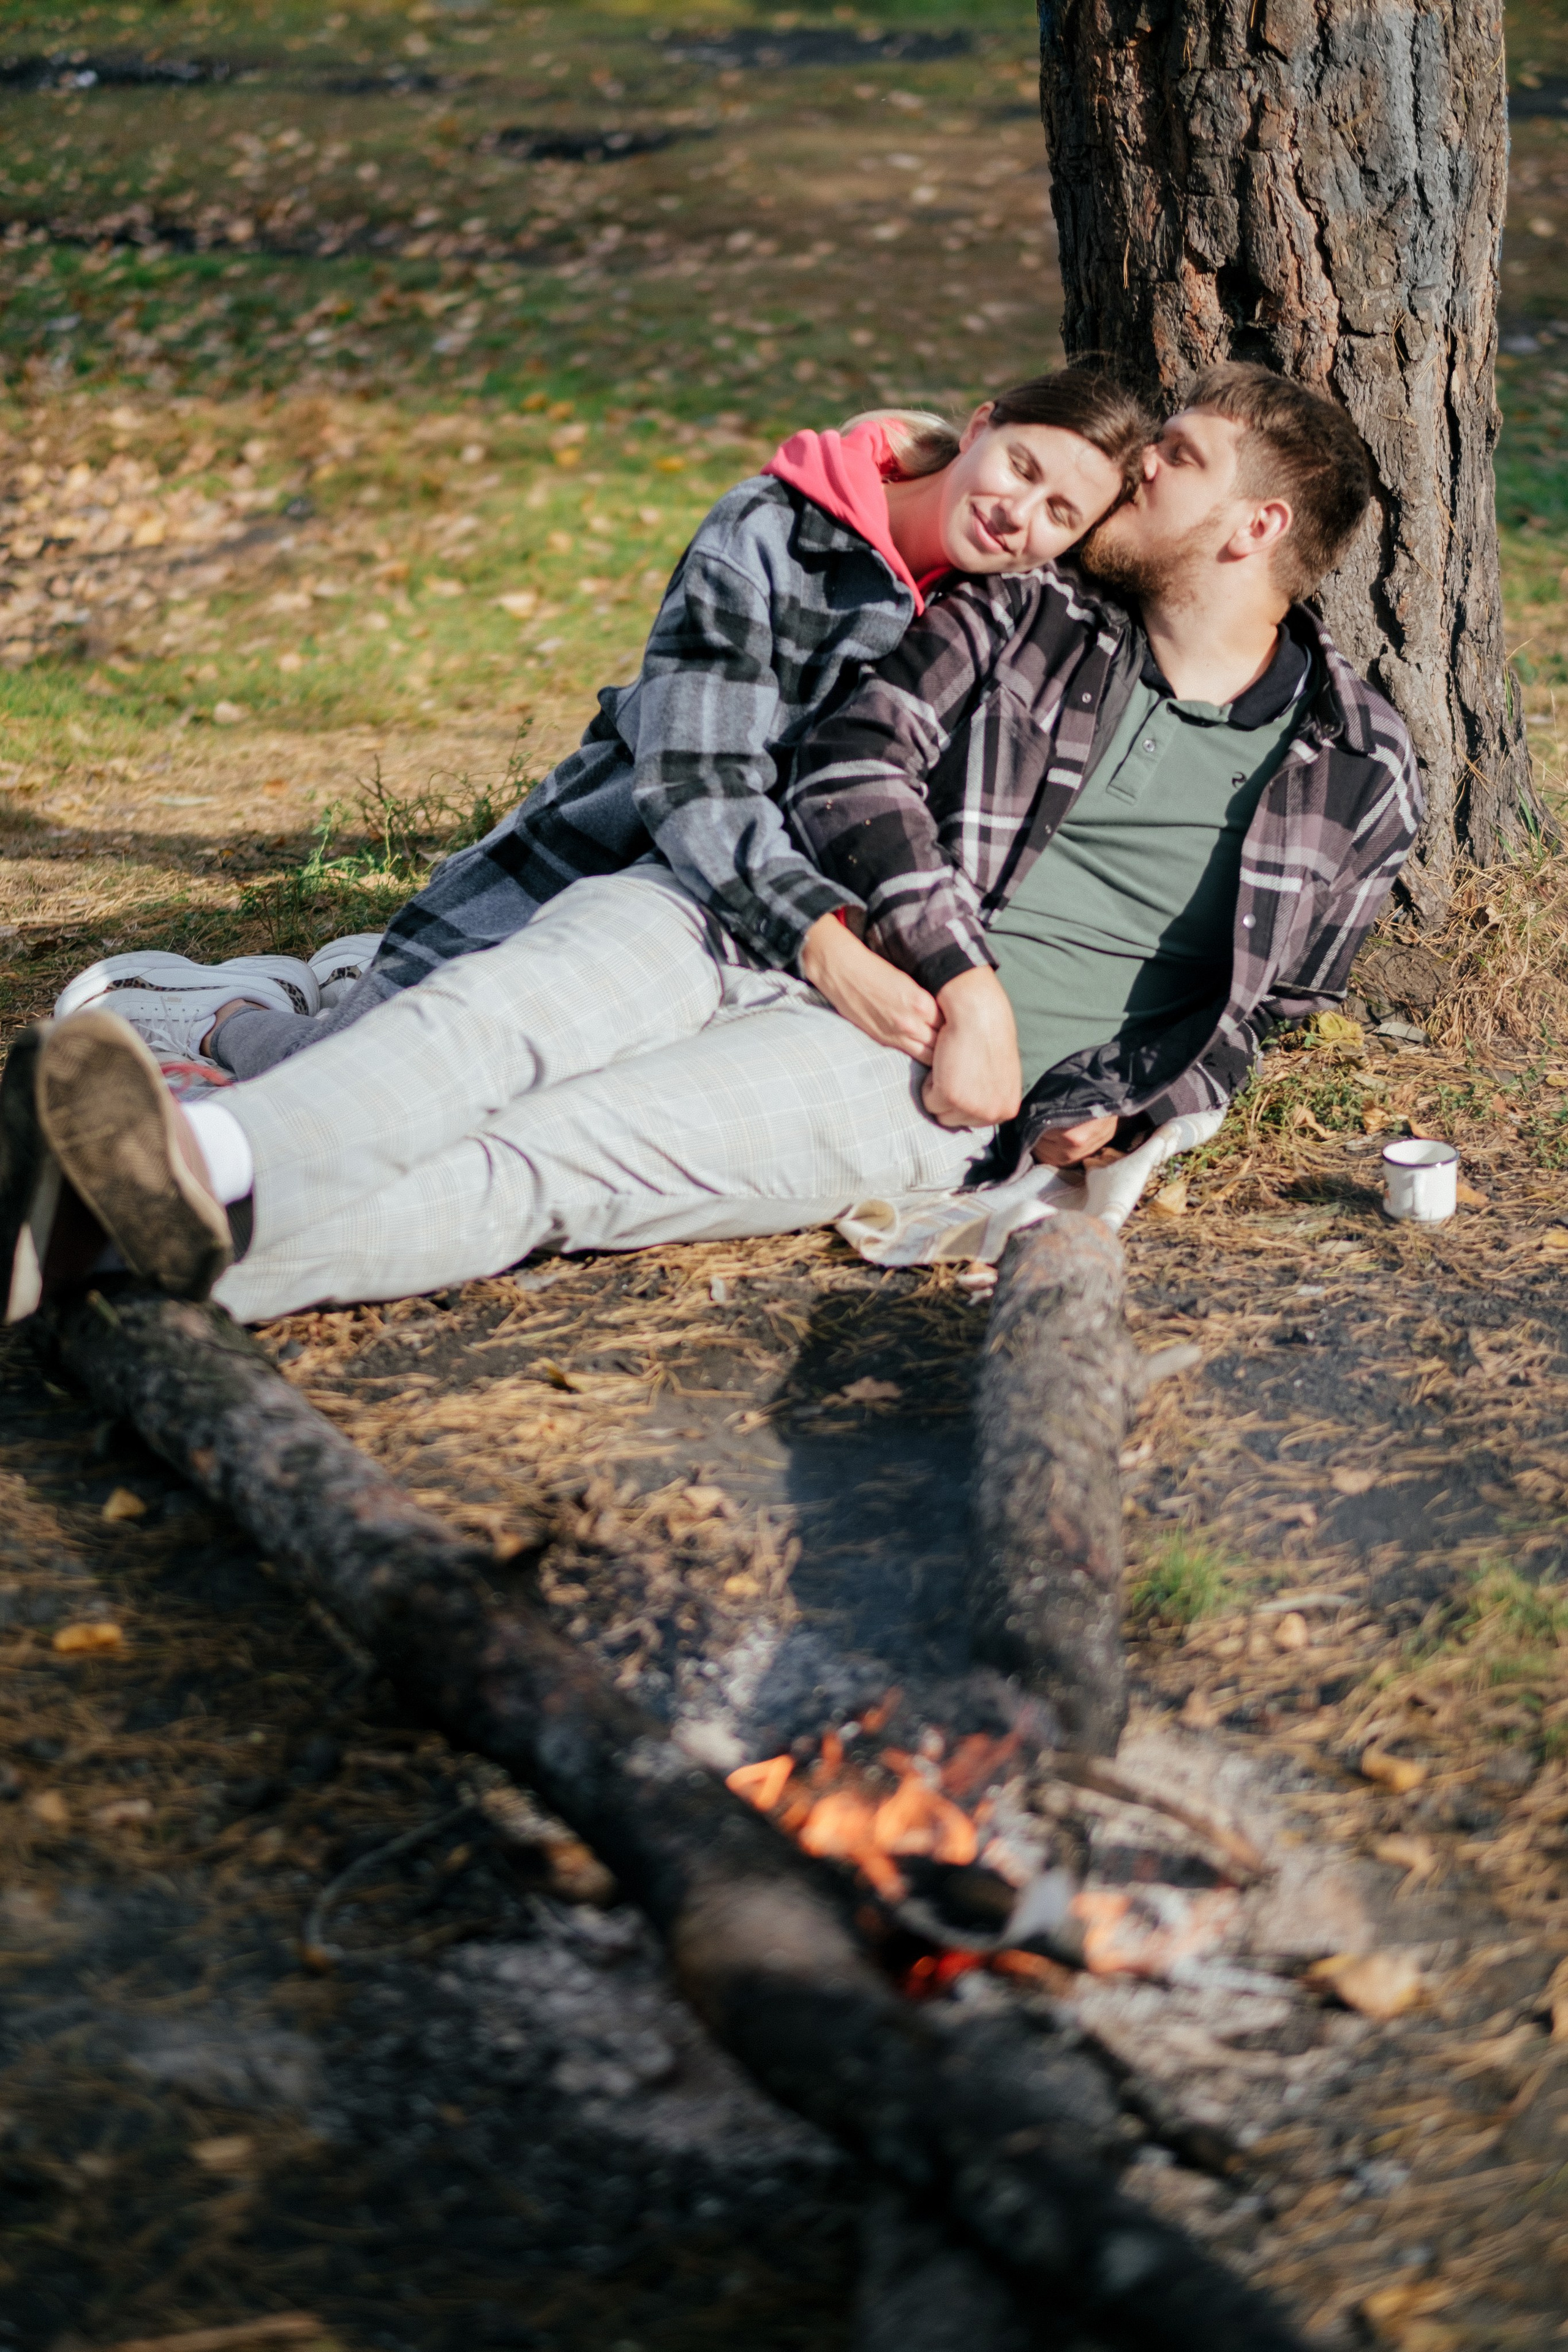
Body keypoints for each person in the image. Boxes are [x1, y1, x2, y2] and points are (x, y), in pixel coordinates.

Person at [10, 365, 1421, 1330]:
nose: (1129, 476)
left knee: (555, 1159)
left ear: (1255, 528)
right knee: (503, 1009)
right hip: (763, 920)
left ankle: (109, 1247)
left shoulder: (1357, 771)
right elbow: (851, 760)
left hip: (917, 1078)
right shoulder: (1031, 613)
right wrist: (952, 961)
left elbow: (1267, 1006)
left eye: (1171, 460)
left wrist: (1119, 1099)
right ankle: (199, 1155)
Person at [51, 372, 1148, 1078]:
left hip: (760, 908)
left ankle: (348, 976)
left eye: (1062, 515)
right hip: (615, 851)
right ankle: (225, 1015)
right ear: (982, 427)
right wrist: (826, 944)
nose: (1021, 513)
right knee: (349, 1068)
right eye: (1021, 468)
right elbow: (693, 786)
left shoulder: (990, 602)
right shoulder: (767, 534)